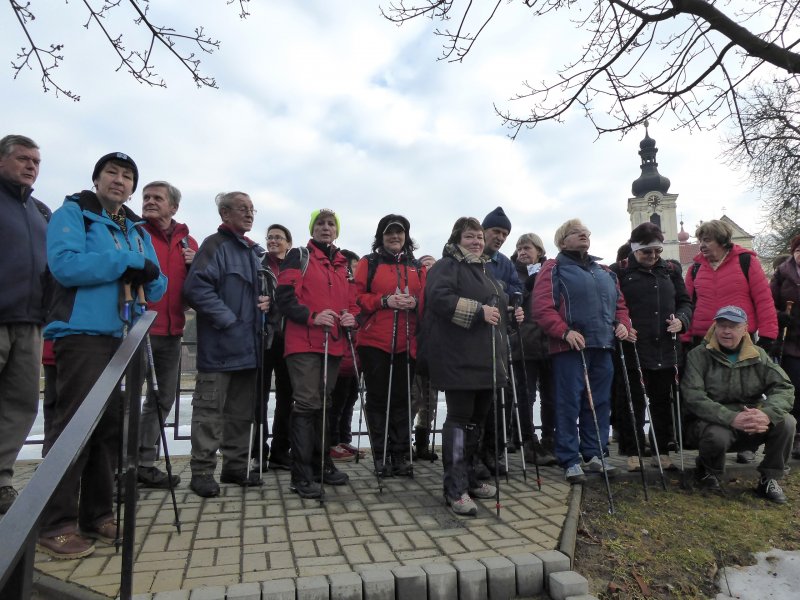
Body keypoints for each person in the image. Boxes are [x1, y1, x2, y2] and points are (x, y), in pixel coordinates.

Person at [38, 152, 166, 559]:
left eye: (128, 176)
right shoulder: (74, 214)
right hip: (83, 334)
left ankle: (97, 513)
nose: (120, 180)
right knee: (74, 427)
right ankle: (55, 522)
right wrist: (128, 261)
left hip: (124, 336)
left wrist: (147, 272)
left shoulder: (136, 228)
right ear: (96, 179)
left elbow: (158, 285)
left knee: (111, 430)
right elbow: (65, 266)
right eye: (112, 172)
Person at [419, 217, 523, 516]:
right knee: (460, 422)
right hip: (459, 360)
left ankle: (472, 478)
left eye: (479, 237)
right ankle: (455, 488)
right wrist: (479, 310)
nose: (477, 241)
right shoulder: (446, 266)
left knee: (478, 422)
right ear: (457, 239)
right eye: (470, 237)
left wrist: (511, 315)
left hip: (488, 361)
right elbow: (438, 298)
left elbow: (496, 312)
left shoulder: (487, 271)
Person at [183, 192, 270, 498]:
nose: (249, 214)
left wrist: (266, 302)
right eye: (242, 209)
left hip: (249, 349)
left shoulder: (252, 252)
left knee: (241, 414)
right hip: (220, 347)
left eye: (252, 209)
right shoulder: (214, 245)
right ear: (224, 214)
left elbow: (259, 295)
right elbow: (196, 288)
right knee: (209, 412)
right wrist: (228, 319)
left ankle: (236, 467)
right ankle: (202, 472)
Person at [532, 218, 631, 483]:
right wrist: (564, 331)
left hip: (603, 344)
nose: (584, 236)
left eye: (586, 232)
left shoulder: (605, 272)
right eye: (577, 233)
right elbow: (542, 307)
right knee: (569, 402)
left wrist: (622, 324)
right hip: (569, 348)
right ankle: (569, 457)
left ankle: (595, 452)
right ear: (563, 240)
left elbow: (619, 305)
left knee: (599, 402)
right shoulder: (554, 269)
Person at [276, 209, 358, 499]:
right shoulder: (298, 256)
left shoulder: (342, 264)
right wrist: (312, 316)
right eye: (320, 223)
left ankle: (322, 465)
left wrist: (351, 317)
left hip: (332, 344)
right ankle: (301, 475)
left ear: (337, 230)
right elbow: (283, 298)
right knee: (308, 404)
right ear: (312, 229)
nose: (326, 228)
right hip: (304, 344)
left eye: (331, 224)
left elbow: (351, 302)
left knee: (324, 404)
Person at [684, 219, 778, 464]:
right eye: (700, 240)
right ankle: (712, 443)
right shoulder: (695, 269)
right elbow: (687, 304)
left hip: (741, 335)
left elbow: (764, 300)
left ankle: (748, 443)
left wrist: (768, 335)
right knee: (712, 392)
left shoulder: (747, 262)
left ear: (722, 241)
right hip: (704, 339)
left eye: (707, 240)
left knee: (747, 390)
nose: (702, 245)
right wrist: (685, 337)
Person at [682, 305, 795, 503]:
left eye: (733, 326)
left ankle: (769, 479)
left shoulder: (759, 355)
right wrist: (731, 418)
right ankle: (708, 471)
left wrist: (766, 414)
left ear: (745, 329)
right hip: (713, 421)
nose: (727, 331)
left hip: (752, 419)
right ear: (714, 327)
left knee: (787, 423)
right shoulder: (698, 355)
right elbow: (693, 397)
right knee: (716, 435)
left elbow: (784, 388)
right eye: (722, 325)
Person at [136, 181, 198, 489]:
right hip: (136, 330)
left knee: (161, 399)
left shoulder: (188, 242)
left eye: (157, 198)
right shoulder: (134, 232)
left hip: (173, 331)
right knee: (129, 401)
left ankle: (145, 464)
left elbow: (197, 288)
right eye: (146, 197)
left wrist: (195, 264)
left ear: (173, 207)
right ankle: (121, 468)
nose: (149, 202)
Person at [617, 223, 692, 472]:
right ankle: (634, 451)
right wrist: (622, 325)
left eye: (657, 251)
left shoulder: (670, 270)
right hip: (634, 346)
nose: (652, 257)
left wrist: (682, 320)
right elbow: (613, 306)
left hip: (666, 347)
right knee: (634, 402)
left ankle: (662, 449)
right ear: (635, 249)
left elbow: (685, 302)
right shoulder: (620, 271)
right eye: (646, 252)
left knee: (662, 402)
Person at [0, 134, 49, 514]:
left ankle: (1, 479)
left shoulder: (40, 212)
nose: (31, 166)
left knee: (20, 405)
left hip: (30, 322)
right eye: (23, 158)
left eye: (36, 161)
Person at [355, 215, 425, 478]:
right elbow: (357, 298)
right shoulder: (369, 263)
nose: (394, 237)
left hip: (407, 344)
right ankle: (381, 455)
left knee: (403, 400)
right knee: (378, 401)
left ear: (406, 236)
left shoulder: (417, 267)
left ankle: (402, 455)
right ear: (380, 236)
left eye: (399, 232)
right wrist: (385, 301)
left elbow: (427, 300)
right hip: (375, 343)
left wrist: (415, 304)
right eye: (389, 233)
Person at [479, 206, 523, 476]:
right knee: (479, 398)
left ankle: (493, 453)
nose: (500, 237)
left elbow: (517, 286)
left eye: (505, 233)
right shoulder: (470, 257)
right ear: (484, 230)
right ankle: (473, 455)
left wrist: (515, 299)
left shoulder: (504, 262)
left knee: (499, 397)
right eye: (496, 231)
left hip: (500, 336)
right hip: (474, 336)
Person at [510, 232, 557, 466]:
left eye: (527, 248)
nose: (522, 252)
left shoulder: (550, 271)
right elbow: (511, 300)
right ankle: (528, 442)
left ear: (539, 250)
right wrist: (527, 286)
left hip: (550, 342)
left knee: (551, 395)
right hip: (523, 343)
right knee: (525, 396)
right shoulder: (512, 272)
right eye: (519, 249)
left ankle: (550, 438)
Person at [262, 224, 295, 471]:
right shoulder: (257, 265)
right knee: (258, 399)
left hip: (288, 338)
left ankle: (280, 452)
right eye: (270, 237)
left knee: (287, 398)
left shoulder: (295, 267)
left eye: (278, 238)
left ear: (288, 243)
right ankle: (257, 451)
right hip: (263, 337)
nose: (273, 241)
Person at [329, 248, 361, 461]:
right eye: (355, 267)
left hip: (355, 355)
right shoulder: (344, 288)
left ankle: (343, 439)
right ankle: (332, 442)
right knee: (337, 401)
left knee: (350, 399)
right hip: (342, 355)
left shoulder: (355, 288)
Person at [770, 234, 800, 458]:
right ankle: (796, 437)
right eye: (799, 251)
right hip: (791, 340)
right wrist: (781, 316)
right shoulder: (782, 273)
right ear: (793, 252)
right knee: (794, 387)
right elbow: (769, 302)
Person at [411, 254, 439, 461]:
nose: (428, 267)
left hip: (435, 353)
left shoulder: (441, 289)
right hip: (414, 351)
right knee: (413, 399)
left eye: (432, 264)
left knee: (430, 402)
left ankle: (422, 444)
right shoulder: (414, 288)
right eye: (425, 264)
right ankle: (404, 443)